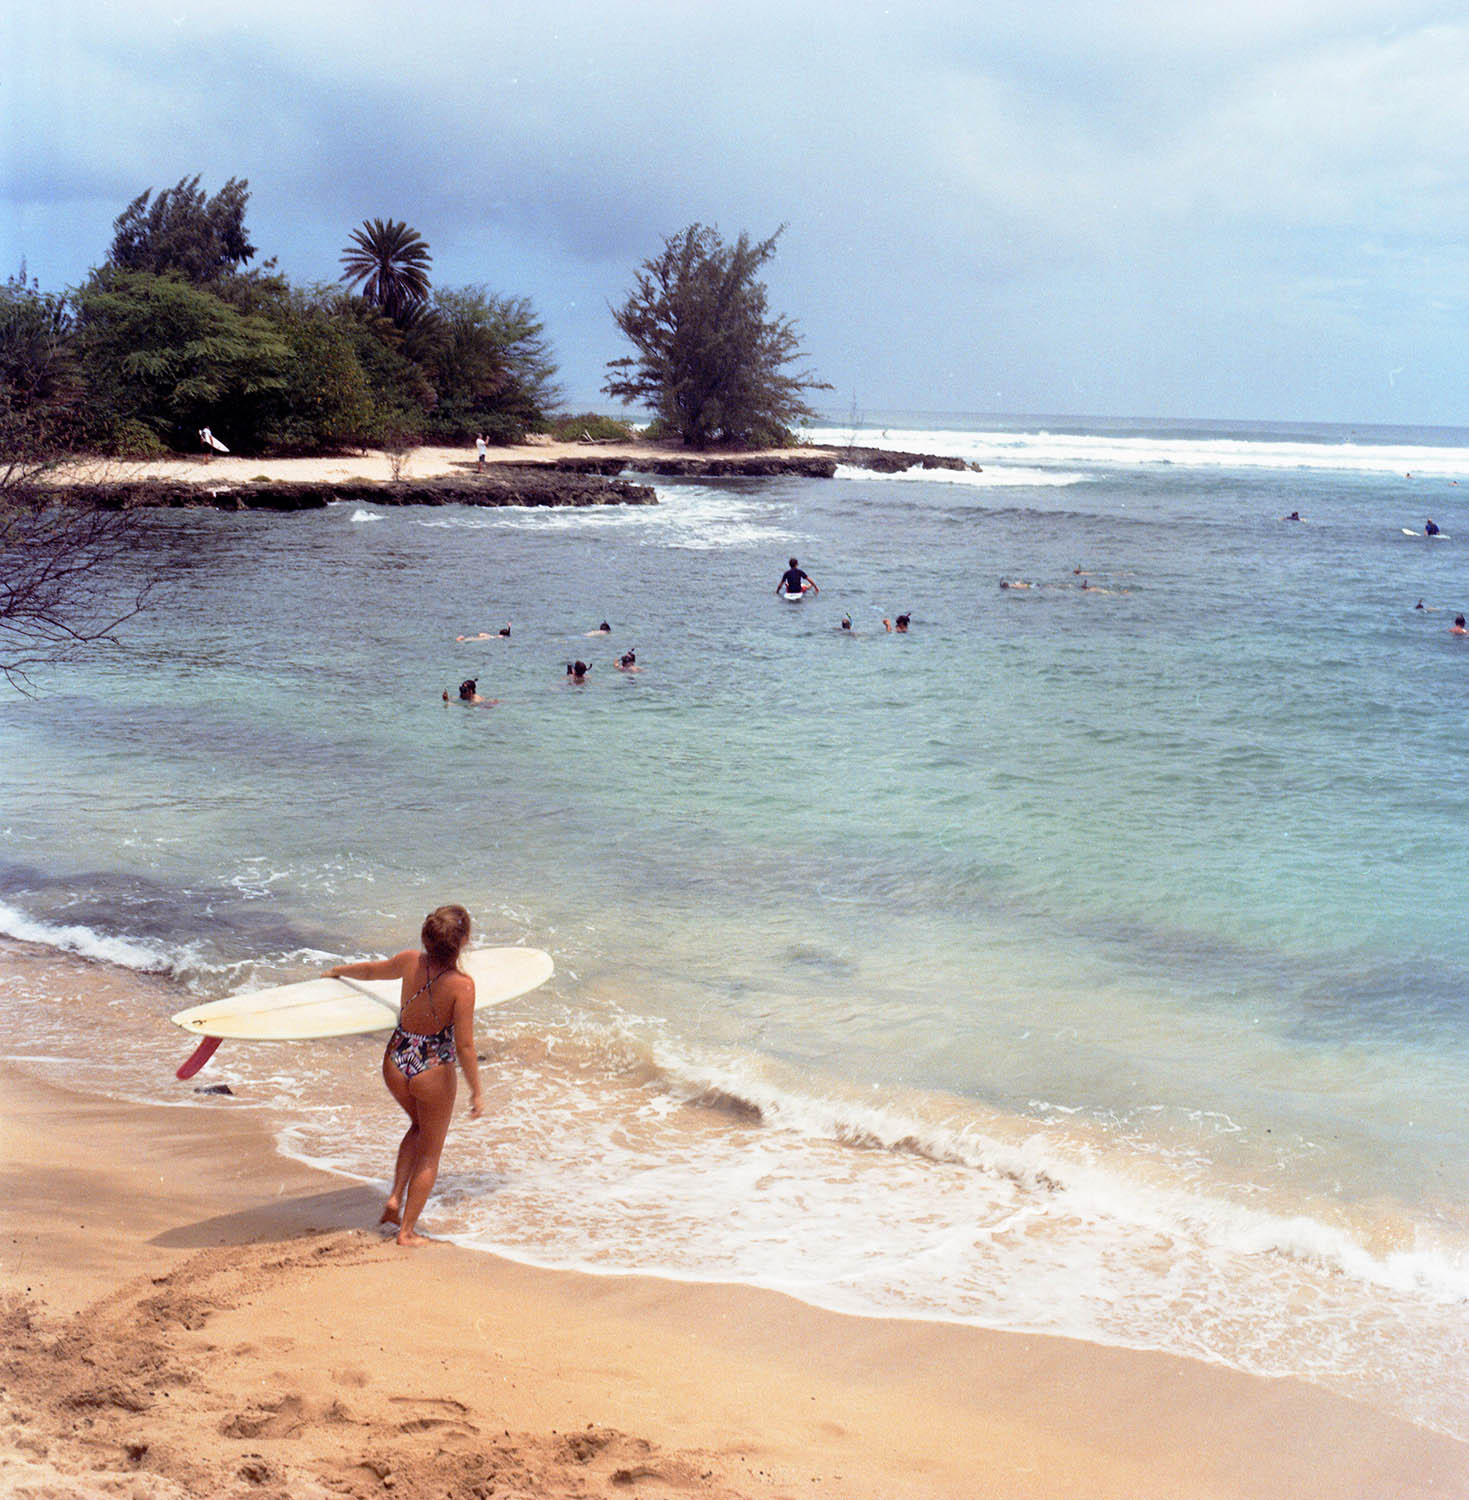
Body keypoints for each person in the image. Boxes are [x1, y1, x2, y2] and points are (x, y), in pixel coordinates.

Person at [326, 905, 482, 1246]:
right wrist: (476, 1091)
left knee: (418, 1126)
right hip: (432, 1069)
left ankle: (395, 1198)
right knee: (431, 1151)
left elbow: (369, 971)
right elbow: (466, 1046)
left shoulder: (410, 960)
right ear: (464, 942)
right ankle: (407, 1232)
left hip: (396, 1059)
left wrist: (337, 971)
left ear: (426, 938)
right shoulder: (462, 986)